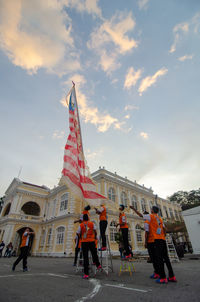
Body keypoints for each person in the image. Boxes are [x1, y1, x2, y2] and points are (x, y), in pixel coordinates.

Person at [77, 214, 101, 279]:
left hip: (84, 242)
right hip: (91, 241)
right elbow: (95, 231)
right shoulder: (91, 223)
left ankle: (86, 274)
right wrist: (95, 236)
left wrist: (81, 237)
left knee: (85, 257)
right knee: (94, 253)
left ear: (83, 219)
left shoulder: (81, 225)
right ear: (88, 218)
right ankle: (98, 265)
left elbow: (78, 232)